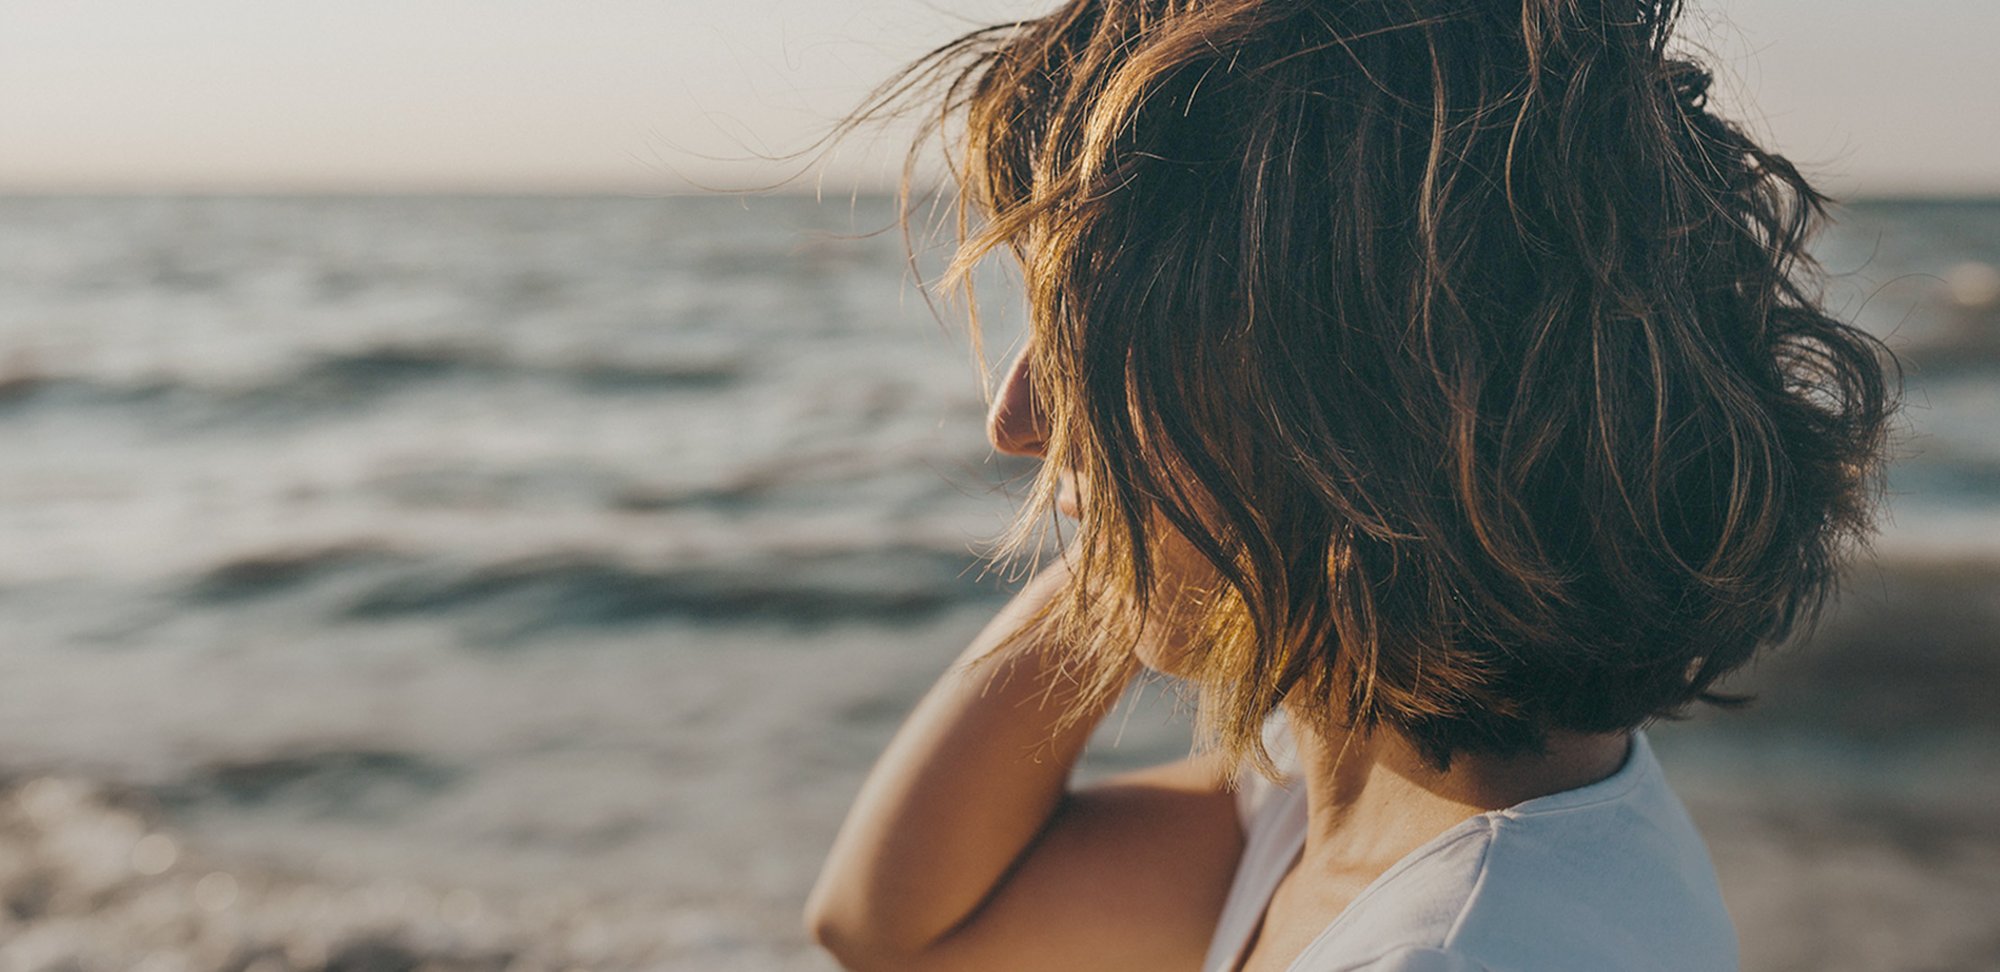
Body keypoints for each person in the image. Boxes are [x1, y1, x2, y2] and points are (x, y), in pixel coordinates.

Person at [803, 0, 1894, 969]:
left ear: (1341, 392)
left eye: (1087, 344)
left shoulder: (1460, 940)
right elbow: (896, 930)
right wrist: (1134, 515)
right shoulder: (1363, 798)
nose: (1019, 422)